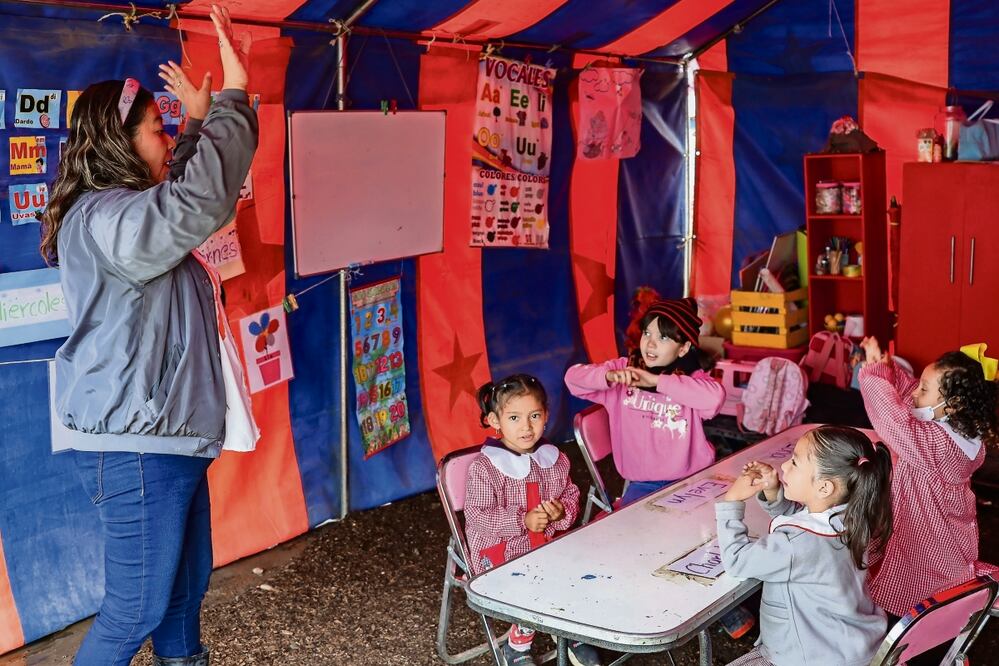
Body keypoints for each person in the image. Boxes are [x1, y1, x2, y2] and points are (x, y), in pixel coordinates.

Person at [41, 6, 257, 665]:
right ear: (118, 141)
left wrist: (195, 125)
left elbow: (177, 206)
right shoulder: (109, 218)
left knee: (181, 596)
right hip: (137, 441)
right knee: (134, 606)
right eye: (157, 129)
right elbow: (194, 205)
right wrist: (233, 102)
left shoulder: (121, 215)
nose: (165, 142)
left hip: (164, 435)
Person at [716, 425, 893, 666]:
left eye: (795, 463)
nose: (784, 467)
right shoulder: (852, 517)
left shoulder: (796, 544)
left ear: (824, 487)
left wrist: (731, 502)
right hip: (852, 647)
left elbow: (737, 560)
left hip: (806, 656)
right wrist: (773, 490)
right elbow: (804, 521)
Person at [858, 339, 999, 637]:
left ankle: (911, 639)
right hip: (942, 522)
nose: (916, 393)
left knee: (918, 579)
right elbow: (910, 392)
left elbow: (892, 419)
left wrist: (874, 371)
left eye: (926, 389)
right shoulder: (961, 429)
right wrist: (888, 369)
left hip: (928, 528)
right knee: (916, 571)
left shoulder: (937, 446)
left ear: (953, 405)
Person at [464, 374, 600, 666]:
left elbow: (570, 495)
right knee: (535, 582)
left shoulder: (554, 459)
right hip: (500, 551)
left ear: (546, 416)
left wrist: (561, 512)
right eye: (514, 417)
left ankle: (568, 630)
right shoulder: (486, 468)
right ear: (494, 421)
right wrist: (522, 520)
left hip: (545, 542)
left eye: (534, 416)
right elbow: (477, 517)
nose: (526, 427)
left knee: (581, 570)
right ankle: (516, 647)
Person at [564, 297, 724, 505]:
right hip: (644, 484)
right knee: (639, 533)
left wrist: (657, 381)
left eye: (664, 338)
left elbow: (715, 398)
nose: (650, 343)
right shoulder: (624, 369)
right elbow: (572, 379)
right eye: (647, 333)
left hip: (694, 478)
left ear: (683, 348)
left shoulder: (690, 378)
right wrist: (608, 377)